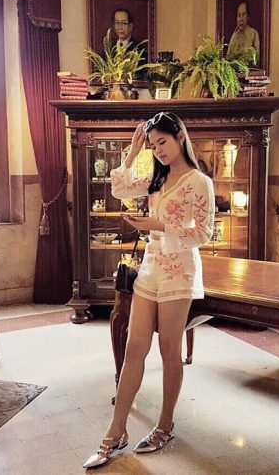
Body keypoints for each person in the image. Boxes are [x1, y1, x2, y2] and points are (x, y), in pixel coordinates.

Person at [83, 112, 215, 469]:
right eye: (153, 145)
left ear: (180, 137)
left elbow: (204, 233)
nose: (158, 150)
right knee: (134, 348)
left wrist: (159, 224)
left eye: (162, 142)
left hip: (179, 271)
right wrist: (132, 151)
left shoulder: (199, 182)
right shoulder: (156, 178)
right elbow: (120, 189)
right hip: (151, 268)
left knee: (169, 351)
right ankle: (116, 430)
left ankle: (165, 425)